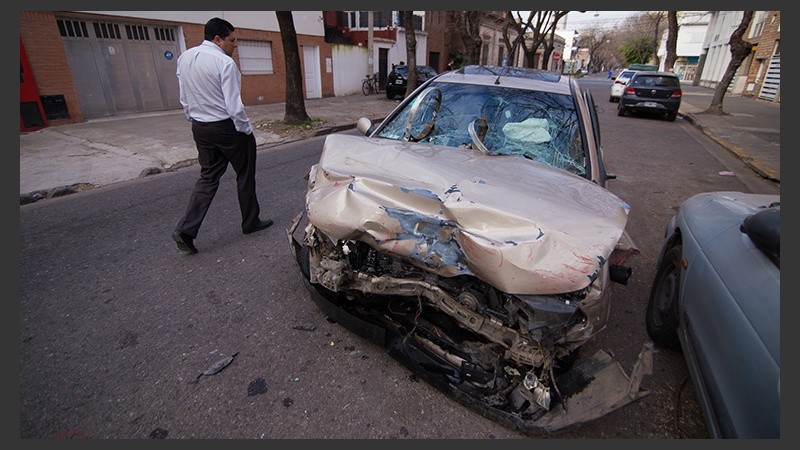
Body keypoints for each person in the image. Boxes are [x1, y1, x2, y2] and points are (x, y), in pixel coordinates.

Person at [171, 17, 272, 254]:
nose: (234, 45)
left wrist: (192, 117)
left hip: (200, 127)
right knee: (245, 175)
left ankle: (186, 230)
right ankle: (250, 222)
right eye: (231, 40)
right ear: (218, 39)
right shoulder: (224, 63)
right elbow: (234, 106)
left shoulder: (185, 58)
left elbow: (184, 95)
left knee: (208, 177)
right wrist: (245, 130)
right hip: (227, 127)